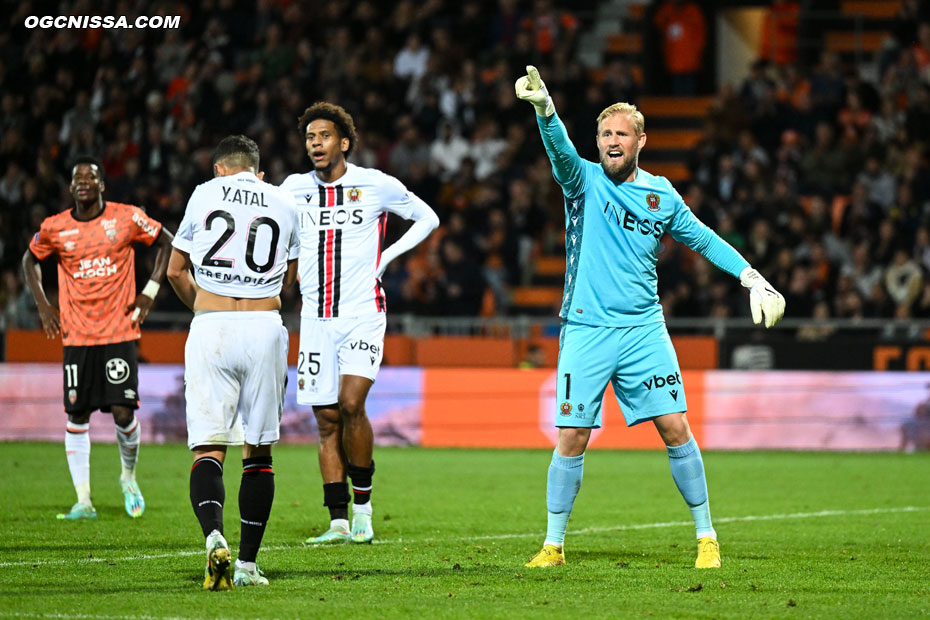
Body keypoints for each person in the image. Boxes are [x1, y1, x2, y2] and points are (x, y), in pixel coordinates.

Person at [514, 66, 785, 568]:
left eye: (621, 133)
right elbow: (559, 151)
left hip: (643, 331)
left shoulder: (661, 195)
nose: (611, 140)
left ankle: (706, 537)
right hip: (586, 329)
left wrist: (751, 276)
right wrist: (546, 110)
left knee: (675, 427)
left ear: (640, 141)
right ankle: (553, 545)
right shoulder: (582, 181)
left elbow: (703, 238)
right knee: (571, 435)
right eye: (605, 133)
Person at [281, 102, 439, 545]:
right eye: (310, 137)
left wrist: (387, 256)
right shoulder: (292, 189)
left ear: (343, 142)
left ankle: (364, 510)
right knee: (326, 420)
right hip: (314, 318)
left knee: (351, 404)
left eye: (324, 136)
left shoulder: (374, 184)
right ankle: (337, 521)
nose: (315, 143)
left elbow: (429, 217)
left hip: (363, 314)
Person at [166, 135, 299, 590]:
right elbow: (292, 276)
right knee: (258, 452)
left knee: (208, 447)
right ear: (256, 171)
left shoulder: (205, 192)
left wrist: (205, 307)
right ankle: (246, 565)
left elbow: (174, 270)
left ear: (220, 169)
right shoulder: (284, 199)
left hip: (212, 326)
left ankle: (214, 538)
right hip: (264, 327)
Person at [22, 156, 173, 521]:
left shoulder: (126, 218)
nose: (83, 182)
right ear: (71, 187)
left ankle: (129, 477)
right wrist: (43, 305)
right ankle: (84, 500)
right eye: (77, 178)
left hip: (119, 331)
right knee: (77, 412)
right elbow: (29, 260)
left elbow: (168, 242)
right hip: (77, 335)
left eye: (91, 177)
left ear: (102, 185)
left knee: (123, 412)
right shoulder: (55, 227)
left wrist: (150, 292)